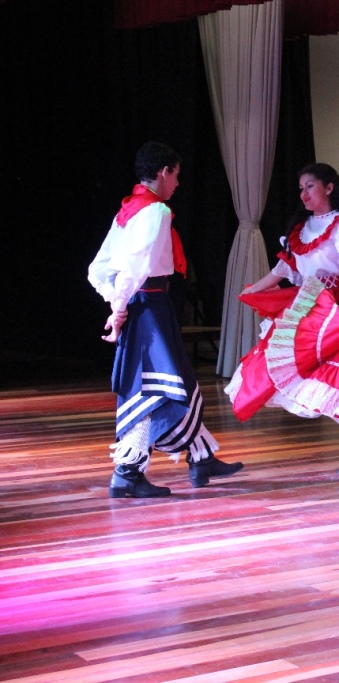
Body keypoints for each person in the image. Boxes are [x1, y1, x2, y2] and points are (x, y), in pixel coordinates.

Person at [88, 141, 243, 497]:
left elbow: (98, 269)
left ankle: (201, 456)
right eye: (176, 175)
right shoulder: (155, 211)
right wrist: (119, 307)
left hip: (146, 306)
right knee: (156, 389)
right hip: (149, 308)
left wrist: (117, 301)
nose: (177, 183)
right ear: (163, 172)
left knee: (177, 382)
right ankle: (127, 472)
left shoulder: (128, 210)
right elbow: (135, 266)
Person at [224, 163, 339, 474]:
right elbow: (283, 269)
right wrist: (254, 289)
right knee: (301, 375)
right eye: (301, 189)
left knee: (328, 378)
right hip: (308, 307)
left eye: (310, 186)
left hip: (337, 310)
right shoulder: (301, 229)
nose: (304, 194)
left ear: (329, 188)